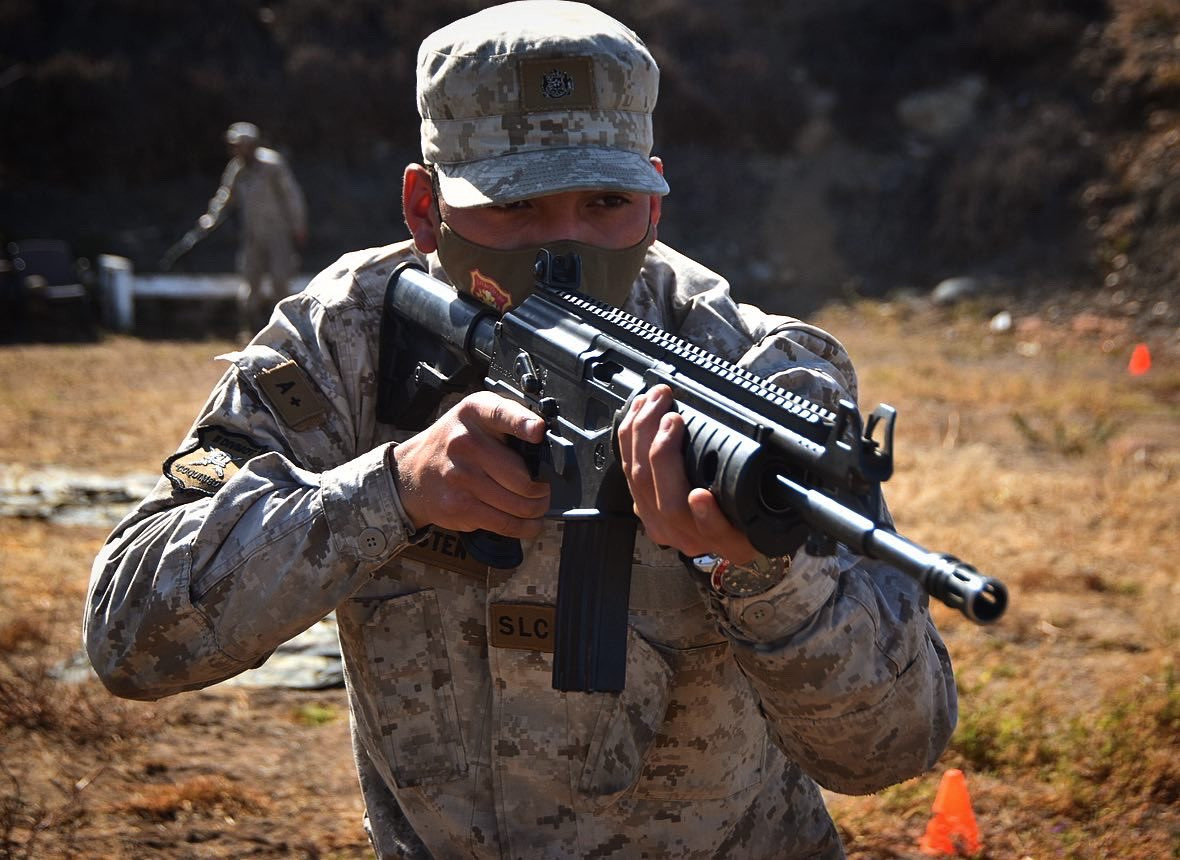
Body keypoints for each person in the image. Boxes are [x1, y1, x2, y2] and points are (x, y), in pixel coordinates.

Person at [86, 3, 957, 857]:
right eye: (516, 209)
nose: (565, 249)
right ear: (424, 209)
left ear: (655, 207)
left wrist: (761, 572)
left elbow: (891, 747)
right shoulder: (346, 340)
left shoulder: (752, 373)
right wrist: (387, 491)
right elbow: (129, 637)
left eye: (606, 202)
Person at [162, 121, 308, 336]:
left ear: (252, 144)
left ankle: (285, 331)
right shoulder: (237, 168)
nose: (236, 149)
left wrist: (298, 225)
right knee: (250, 282)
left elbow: (291, 196)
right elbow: (225, 197)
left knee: (280, 281)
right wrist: (210, 219)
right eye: (234, 145)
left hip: (278, 233)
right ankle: (250, 328)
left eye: (240, 145)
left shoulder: (273, 165)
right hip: (252, 235)